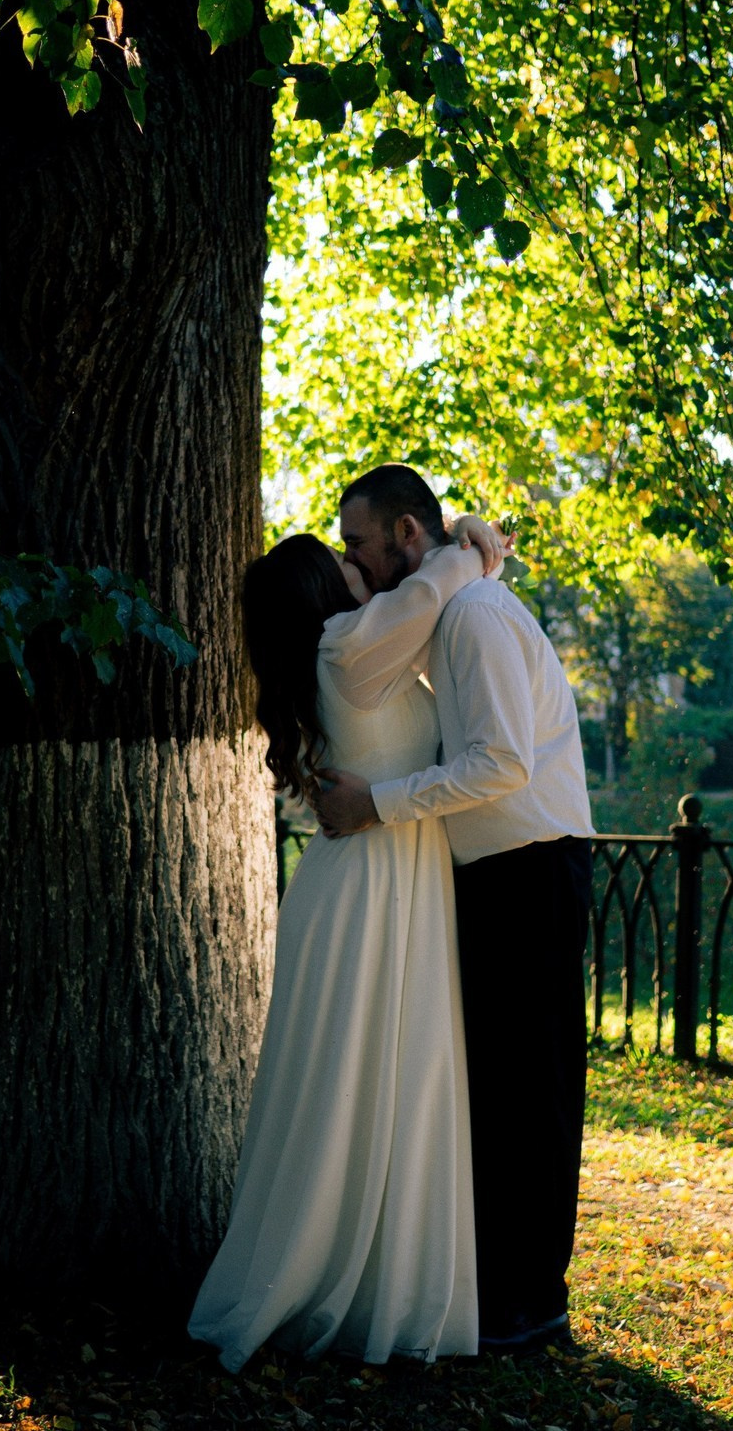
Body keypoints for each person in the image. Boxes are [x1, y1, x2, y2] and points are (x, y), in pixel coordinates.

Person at [188, 517, 505, 1373]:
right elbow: (435, 585)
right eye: (341, 561)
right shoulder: (346, 643)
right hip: (371, 888)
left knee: (382, 1078)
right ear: (322, 594)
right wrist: (476, 544)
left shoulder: (343, 651)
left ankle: (374, 1279)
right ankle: (339, 1278)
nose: (356, 565)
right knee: (361, 1080)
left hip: (380, 878)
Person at [314, 465, 593, 1352]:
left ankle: (533, 1298)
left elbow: (501, 762)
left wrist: (377, 802)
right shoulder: (456, 609)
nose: (351, 560)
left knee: (532, 1085)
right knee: (503, 1083)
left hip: (531, 862)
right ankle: (504, 1283)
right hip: (501, 866)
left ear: (405, 534)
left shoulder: (471, 618)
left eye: (359, 543)